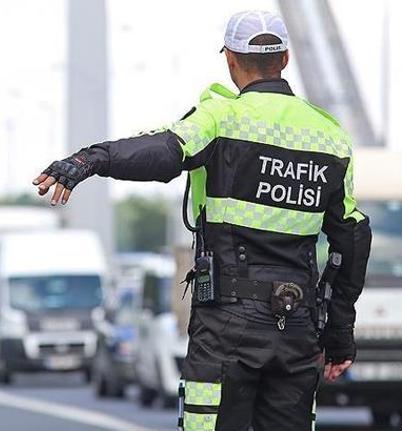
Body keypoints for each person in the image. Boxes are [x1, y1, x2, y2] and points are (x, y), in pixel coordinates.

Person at [32, 10, 371, 431]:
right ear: (285, 59)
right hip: (297, 328)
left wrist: (90, 160)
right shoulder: (330, 137)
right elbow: (352, 239)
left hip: (228, 328)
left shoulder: (220, 118)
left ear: (230, 59)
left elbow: (162, 152)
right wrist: (339, 334)